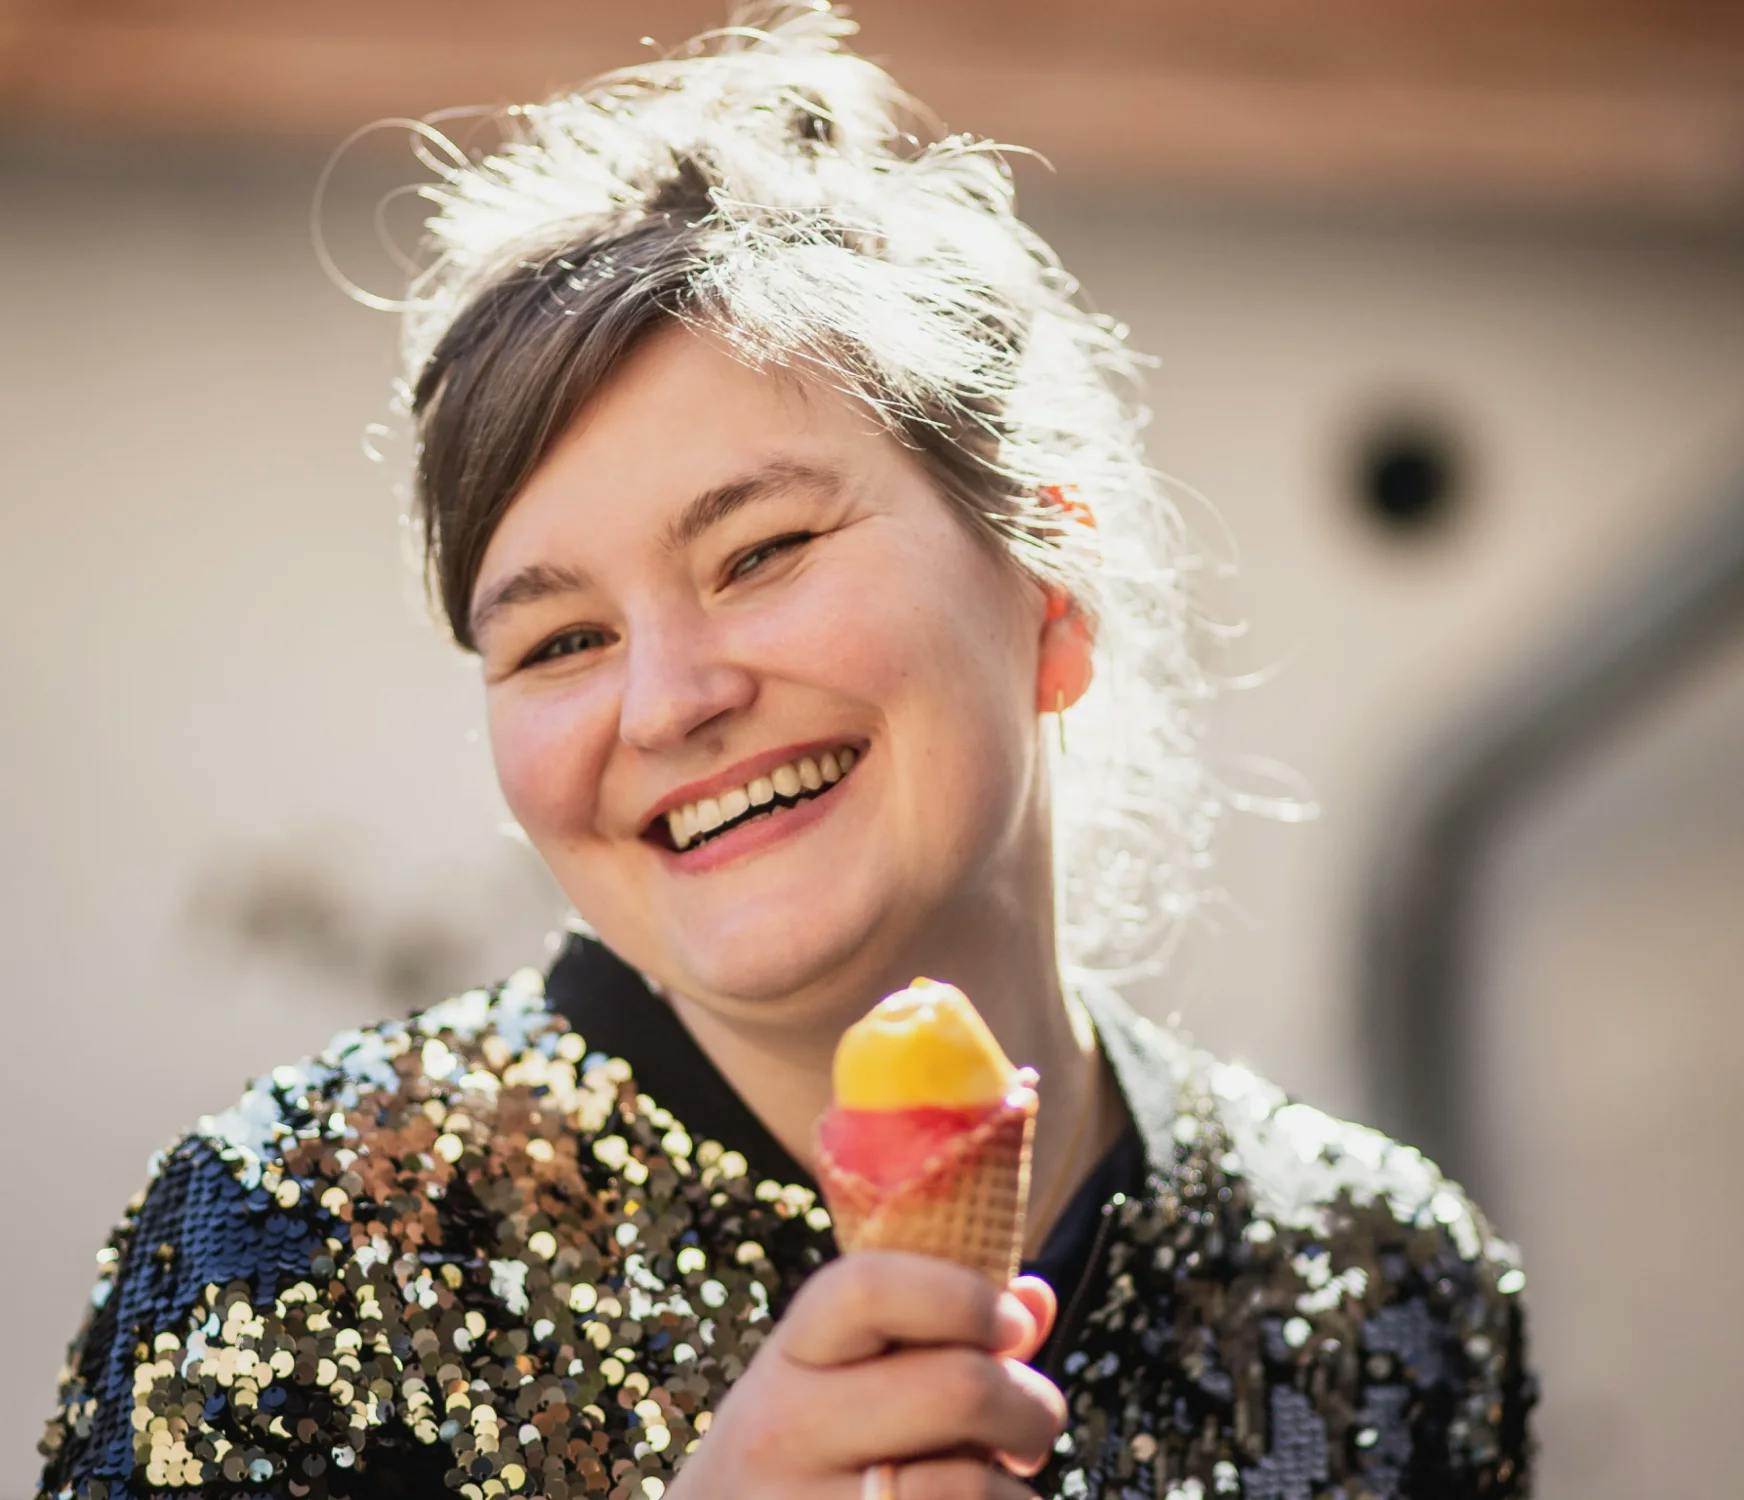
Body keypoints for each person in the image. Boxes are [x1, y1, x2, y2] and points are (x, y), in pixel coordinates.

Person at [36, 5, 1536, 1497]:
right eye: (560, 640)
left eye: (761, 552)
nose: (667, 701)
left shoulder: (1391, 1290)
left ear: (1049, 588)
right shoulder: (299, 1242)